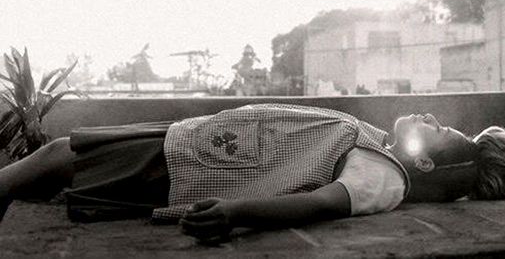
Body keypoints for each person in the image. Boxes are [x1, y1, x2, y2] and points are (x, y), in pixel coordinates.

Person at [0, 104, 477, 242]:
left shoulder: (384, 175)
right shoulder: (375, 141)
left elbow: (322, 203)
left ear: (425, 162)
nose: (430, 118)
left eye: (437, 130)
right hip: (193, 141)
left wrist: (236, 212)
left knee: (60, 158)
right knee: (59, 158)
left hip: (191, 166)